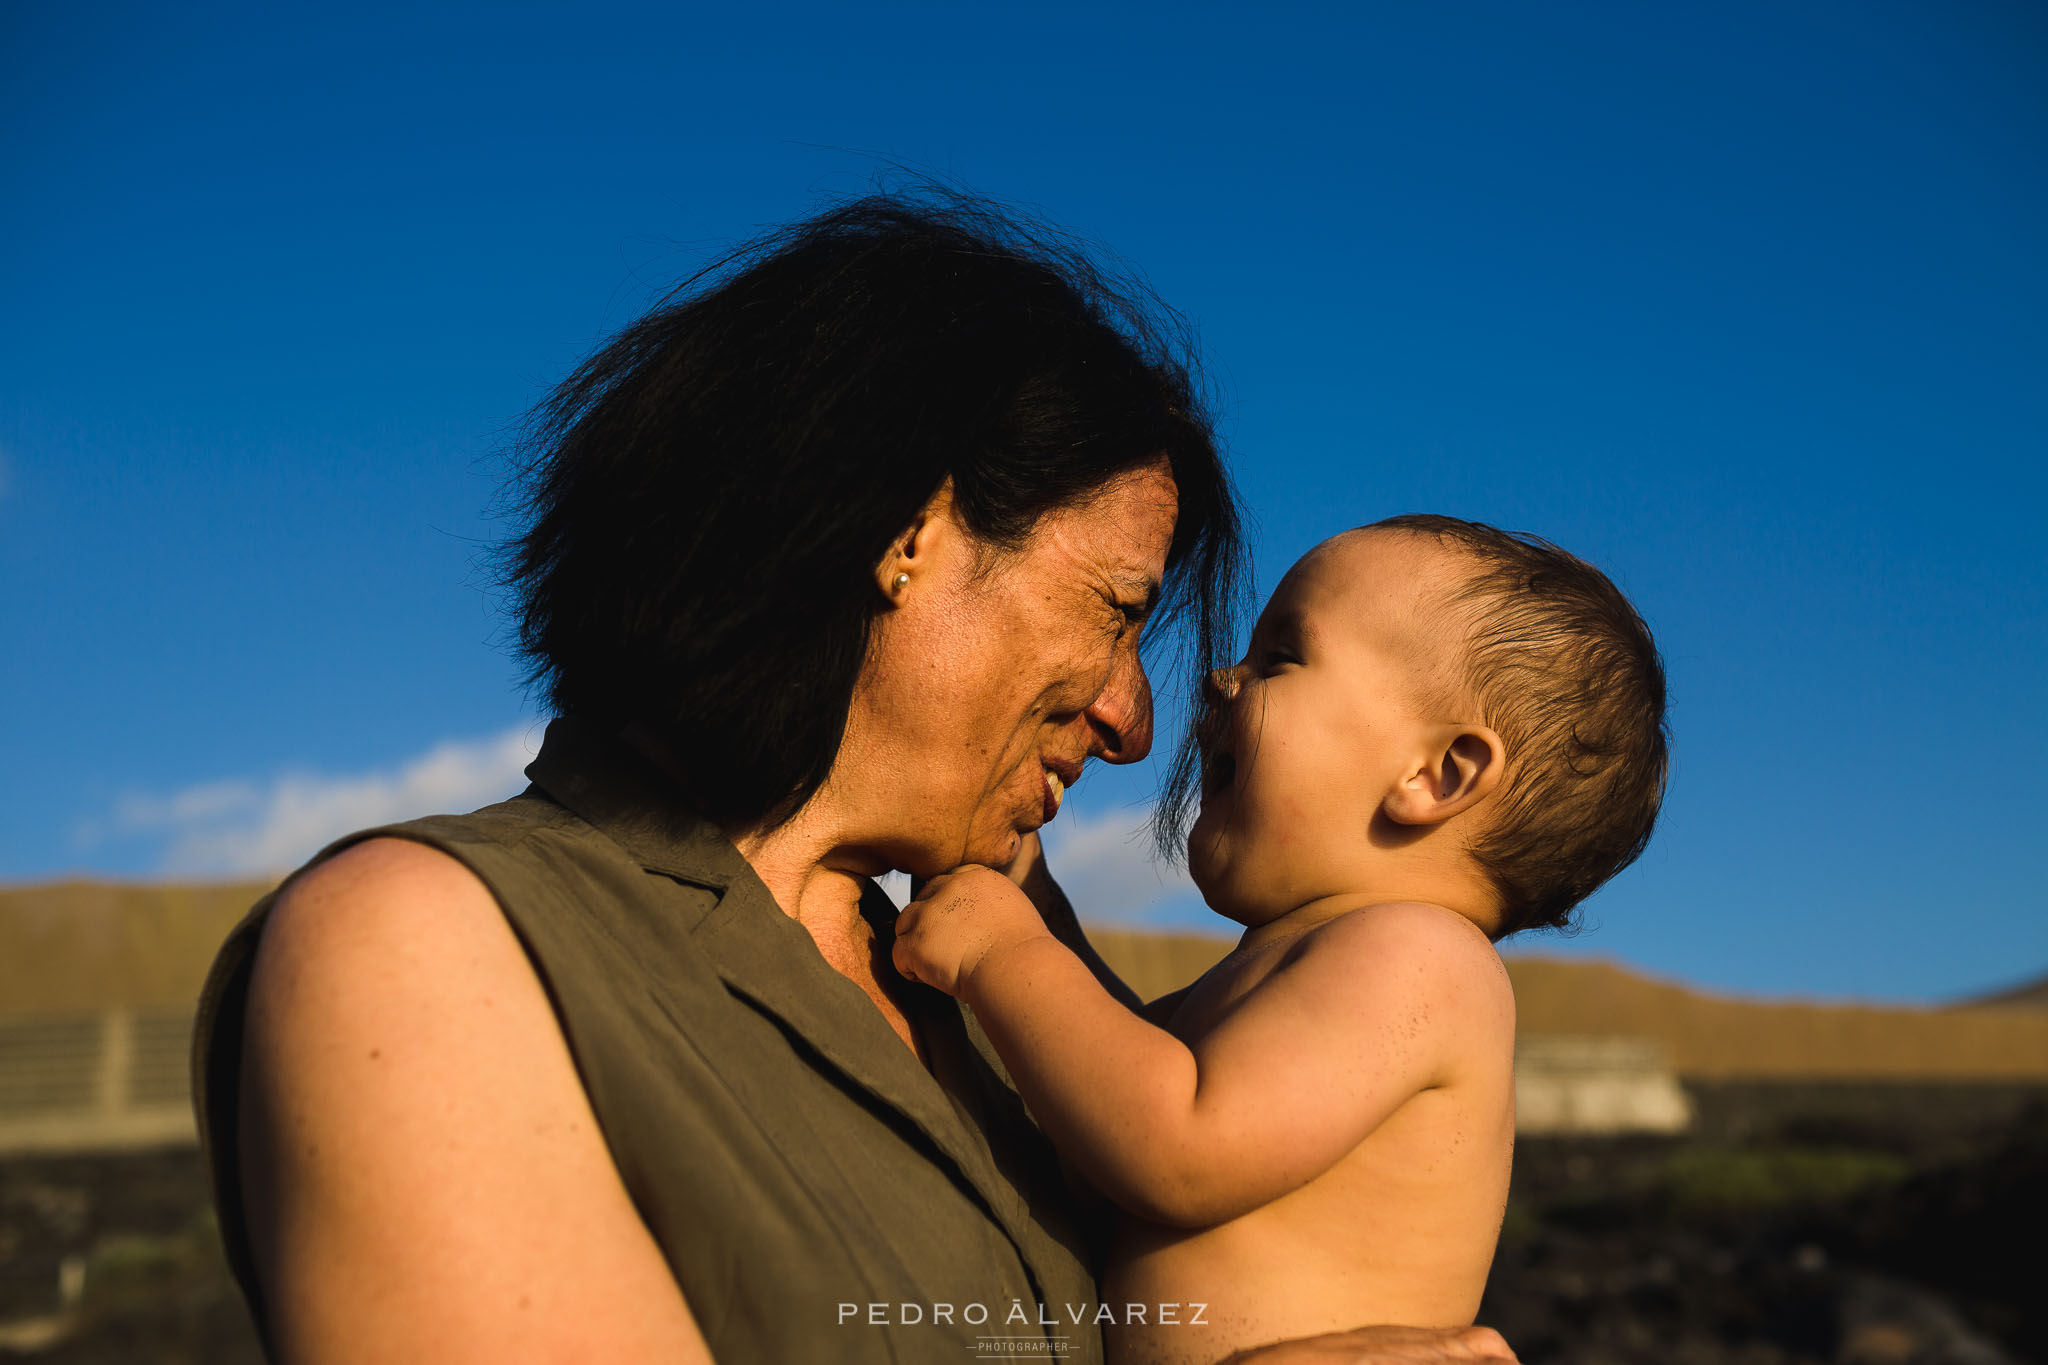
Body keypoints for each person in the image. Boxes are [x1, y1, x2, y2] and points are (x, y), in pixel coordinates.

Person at [191, 192, 1523, 1364]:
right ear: (911, 534)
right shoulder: (428, 946)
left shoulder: (1000, 1007)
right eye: (1118, 608)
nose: (1133, 720)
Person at [894, 516, 1669, 1365]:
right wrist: (1035, 903)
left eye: (1282, 657)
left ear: (1434, 775)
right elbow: (1114, 1066)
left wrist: (1005, 952)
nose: (1222, 678)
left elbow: (1179, 1140)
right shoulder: (1302, 960)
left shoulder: (1423, 960)